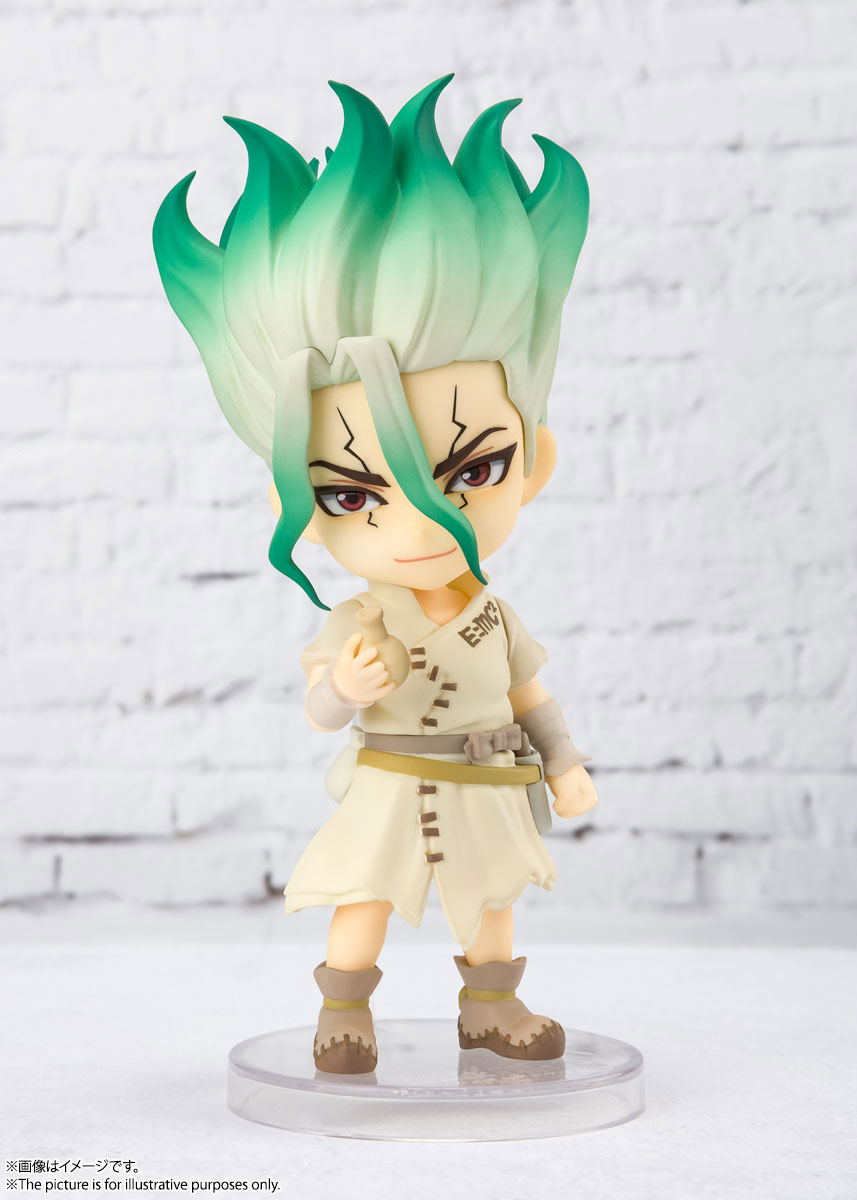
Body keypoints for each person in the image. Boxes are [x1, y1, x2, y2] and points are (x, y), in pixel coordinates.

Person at [153, 75, 597, 1075]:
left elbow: (531, 694)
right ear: (300, 510)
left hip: (486, 781)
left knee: (492, 901)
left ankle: (490, 1009)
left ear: (532, 464)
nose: (415, 522)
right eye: (353, 493)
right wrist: (344, 688)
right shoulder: (360, 616)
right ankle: (341, 1015)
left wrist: (563, 763)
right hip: (391, 780)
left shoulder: (493, 617)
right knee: (363, 897)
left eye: (470, 472)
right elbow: (319, 707)